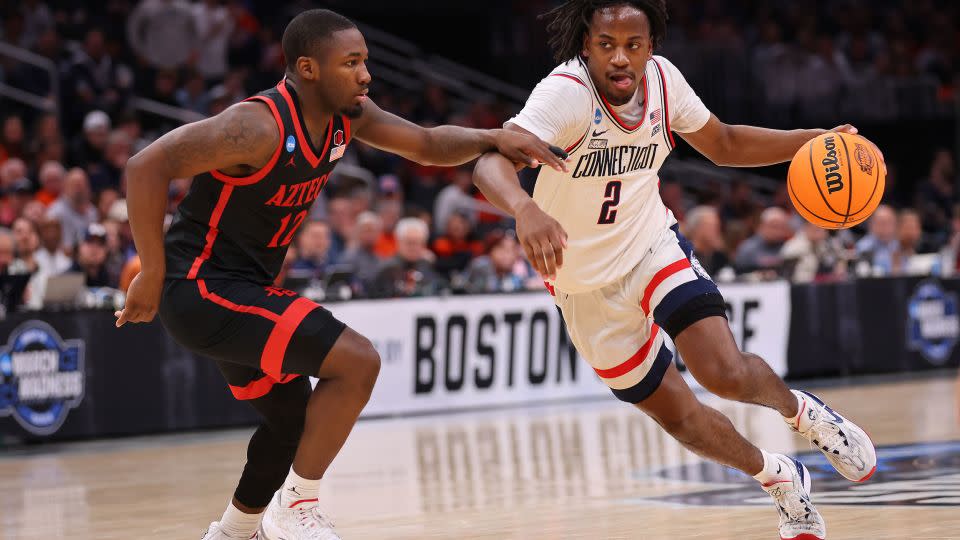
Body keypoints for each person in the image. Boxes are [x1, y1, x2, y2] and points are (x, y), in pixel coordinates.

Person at [115, 9, 565, 540]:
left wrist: (493, 137)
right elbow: (145, 165)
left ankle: (234, 533)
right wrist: (150, 271)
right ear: (308, 68)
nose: (366, 75)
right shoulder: (255, 125)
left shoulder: (348, 115)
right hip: (199, 287)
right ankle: (297, 507)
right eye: (351, 63)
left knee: (291, 423)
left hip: (242, 290)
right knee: (357, 361)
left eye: (365, 62)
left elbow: (424, 144)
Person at [472, 3, 879, 539]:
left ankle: (803, 413)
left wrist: (811, 139)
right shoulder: (565, 94)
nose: (621, 58)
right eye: (606, 45)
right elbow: (489, 160)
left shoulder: (664, 83)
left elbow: (725, 143)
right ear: (584, 45)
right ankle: (779, 476)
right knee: (683, 420)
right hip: (582, 286)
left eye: (634, 45)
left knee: (722, 371)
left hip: (649, 246)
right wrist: (524, 209)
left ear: (651, 45)